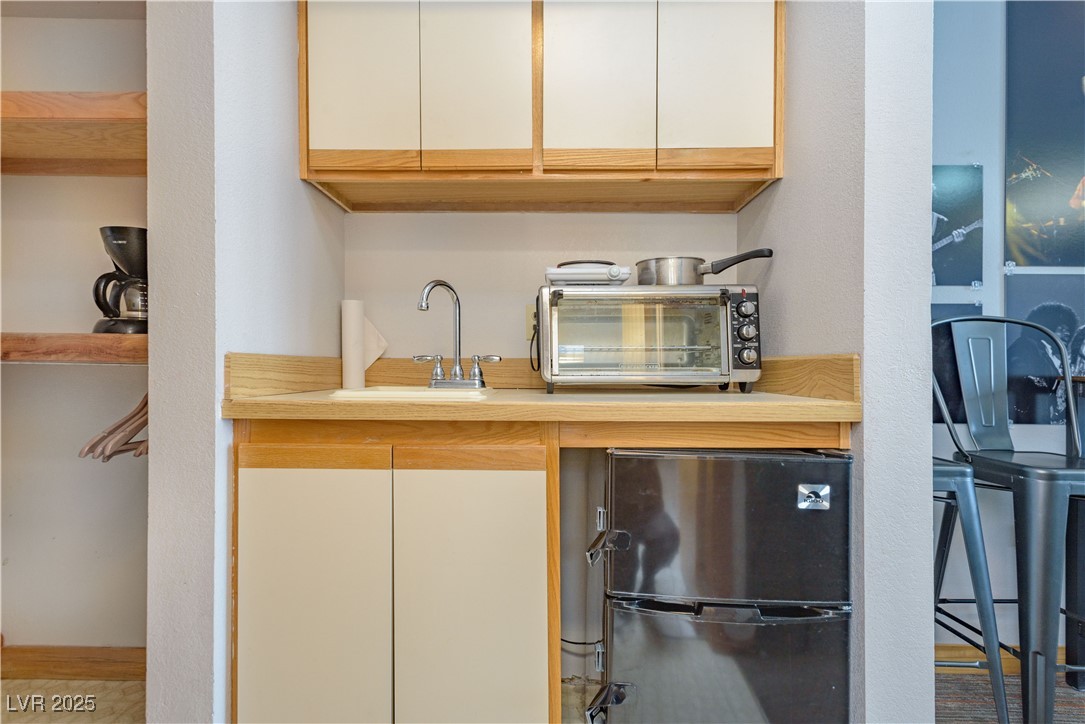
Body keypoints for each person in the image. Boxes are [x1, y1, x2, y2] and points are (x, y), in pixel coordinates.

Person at [1007, 302, 1080, 424]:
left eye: (1068, 330)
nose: (1067, 333)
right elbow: (1020, 380)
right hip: (1030, 423)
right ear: (1047, 326)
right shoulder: (1025, 346)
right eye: (1062, 328)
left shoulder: (1046, 352)